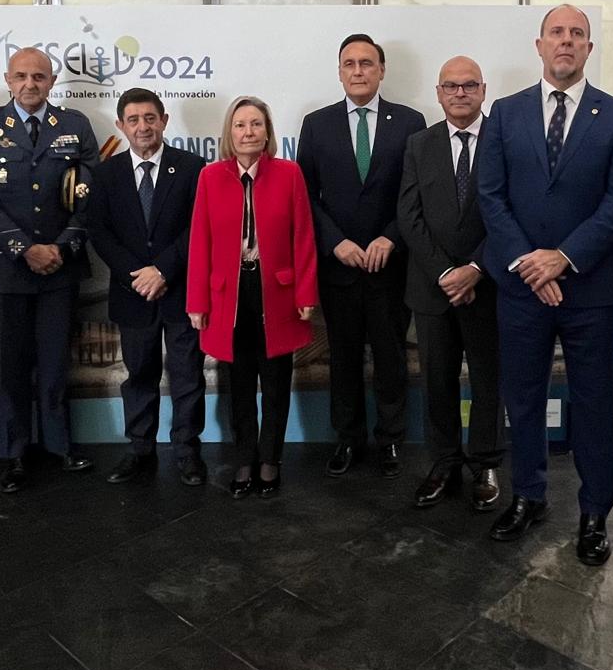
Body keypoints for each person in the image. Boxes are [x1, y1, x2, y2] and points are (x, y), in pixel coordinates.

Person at [478, 5, 613, 564]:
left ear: (589, 48)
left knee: (595, 403)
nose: (566, 41)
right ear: (539, 45)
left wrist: (564, 258)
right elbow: (490, 196)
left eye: (577, 34)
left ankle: (595, 511)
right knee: (523, 398)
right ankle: (528, 495)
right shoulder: (505, 113)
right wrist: (531, 264)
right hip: (522, 287)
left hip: (591, 288)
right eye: (557, 33)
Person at [0, 46, 99, 492]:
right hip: (7, 269)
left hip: (61, 265)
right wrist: (25, 249)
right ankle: (14, 452)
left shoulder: (74, 125)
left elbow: (89, 194)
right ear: (7, 80)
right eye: (21, 76)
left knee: (56, 362)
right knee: (9, 366)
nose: (29, 84)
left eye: (39, 76)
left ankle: (60, 445)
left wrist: (60, 247)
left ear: (52, 81)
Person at [296, 34, 426, 478]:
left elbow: (415, 193)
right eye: (349, 63)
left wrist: (391, 238)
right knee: (344, 358)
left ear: (381, 70)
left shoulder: (410, 122)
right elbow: (305, 196)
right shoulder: (316, 124)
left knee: (391, 358)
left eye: (367, 63)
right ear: (339, 71)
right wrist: (335, 242)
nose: (358, 71)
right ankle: (348, 439)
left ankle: (391, 440)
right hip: (340, 267)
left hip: (391, 266)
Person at [188, 97, 318, 498]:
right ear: (230, 132)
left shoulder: (289, 173)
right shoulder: (210, 177)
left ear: (267, 132)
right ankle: (244, 457)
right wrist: (197, 302)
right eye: (240, 125)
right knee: (239, 383)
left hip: (276, 292)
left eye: (256, 124)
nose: (248, 132)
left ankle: (270, 460)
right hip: (229, 296)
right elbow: (200, 242)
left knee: (276, 382)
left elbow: (303, 236)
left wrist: (305, 291)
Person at [396, 56, 504, 511]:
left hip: (488, 285)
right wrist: (445, 272)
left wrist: (476, 268)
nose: (460, 93)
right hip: (432, 287)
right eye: (451, 86)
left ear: (483, 91)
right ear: (438, 94)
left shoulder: (504, 140)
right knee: (437, 382)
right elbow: (409, 215)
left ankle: (486, 462)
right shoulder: (419, 144)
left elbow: (511, 213)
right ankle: (443, 462)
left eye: (469, 85)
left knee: (488, 381)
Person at [85, 88, 208, 487]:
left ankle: (187, 451)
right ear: (121, 125)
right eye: (134, 120)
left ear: (164, 121)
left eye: (150, 118)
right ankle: (140, 449)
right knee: (139, 374)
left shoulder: (192, 168)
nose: (143, 127)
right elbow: (100, 232)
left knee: (187, 375)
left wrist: (163, 270)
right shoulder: (106, 174)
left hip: (180, 290)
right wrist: (137, 275)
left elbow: (198, 226)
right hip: (133, 292)